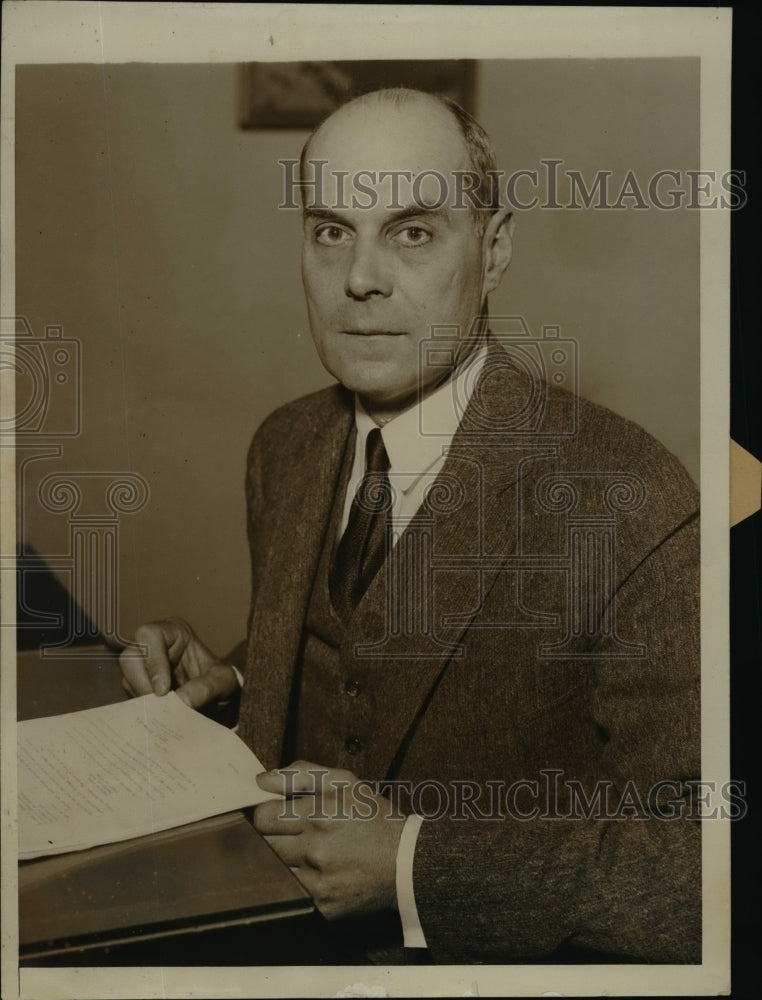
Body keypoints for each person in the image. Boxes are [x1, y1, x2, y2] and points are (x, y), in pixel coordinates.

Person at [120, 88, 700, 964]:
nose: (360, 278)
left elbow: (705, 862)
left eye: (413, 231)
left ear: (495, 248)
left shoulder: (629, 494)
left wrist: (412, 864)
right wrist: (235, 680)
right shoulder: (284, 447)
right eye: (330, 231)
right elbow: (358, 658)